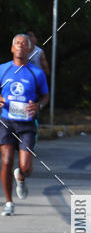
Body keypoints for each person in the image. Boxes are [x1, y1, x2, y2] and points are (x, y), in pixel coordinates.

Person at [0, 33, 49, 216]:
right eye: (17, 43)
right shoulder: (3, 69)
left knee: (26, 167)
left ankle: (21, 176)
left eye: (24, 44)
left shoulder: (37, 73)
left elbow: (45, 96)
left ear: (29, 49)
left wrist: (38, 106)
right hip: (6, 121)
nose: (20, 46)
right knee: (6, 161)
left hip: (27, 124)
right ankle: (9, 202)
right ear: (12, 48)